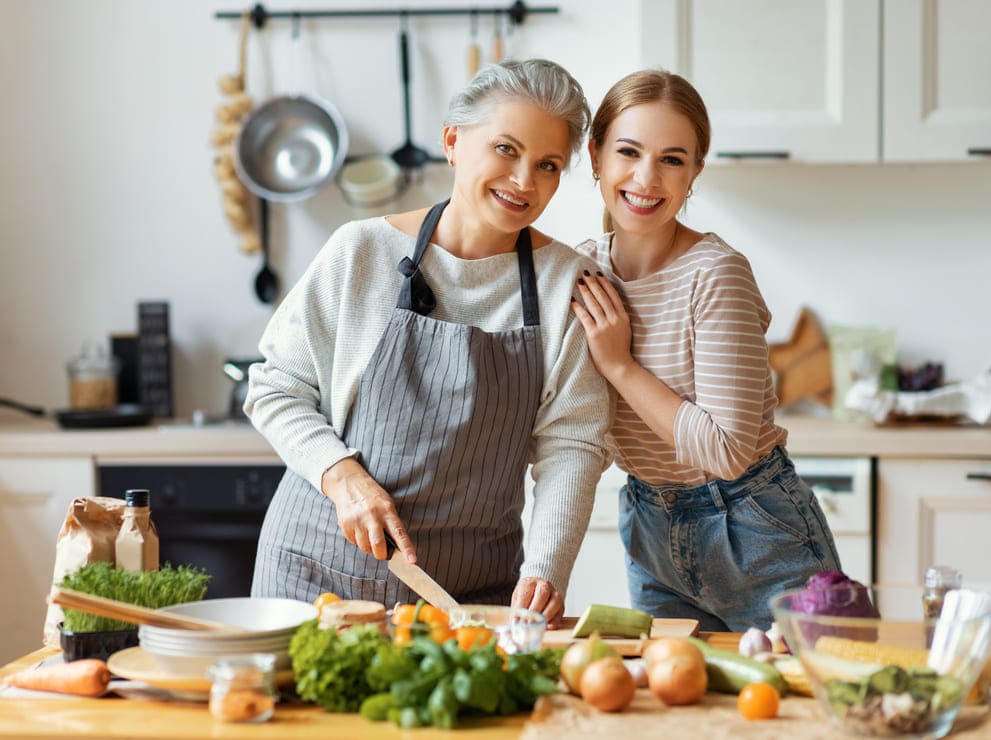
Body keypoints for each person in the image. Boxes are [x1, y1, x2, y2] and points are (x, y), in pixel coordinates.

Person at [245, 59, 610, 626]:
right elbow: (274, 386)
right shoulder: (359, 251)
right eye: (506, 149)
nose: (523, 181)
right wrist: (341, 475)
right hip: (313, 578)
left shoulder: (568, 283)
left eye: (547, 165)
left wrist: (546, 568)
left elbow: (572, 444)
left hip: (469, 597)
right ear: (453, 142)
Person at [571, 70, 841, 632]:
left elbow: (725, 450)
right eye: (628, 151)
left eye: (673, 159)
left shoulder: (715, 274)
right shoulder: (582, 270)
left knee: (818, 710)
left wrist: (619, 364)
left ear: (695, 171)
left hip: (756, 529)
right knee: (681, 710)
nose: (647, 177)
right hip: (650, 523)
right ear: (595, 155)